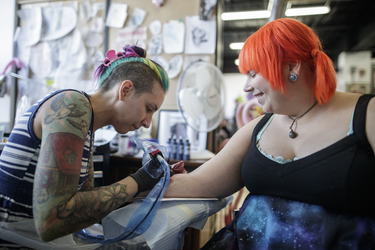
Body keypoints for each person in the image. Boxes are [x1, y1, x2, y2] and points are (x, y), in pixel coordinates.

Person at [165, 18, 375, 249]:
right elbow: (198, 183)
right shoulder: (258, 127)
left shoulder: (368, 114)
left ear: (292, 66)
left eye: (253, 73)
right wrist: (132, 186)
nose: (246, 87)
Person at [0, 45, 169, 247]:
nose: (147, 122)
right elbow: (50, 221)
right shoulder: (72, 106)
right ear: (125, 90)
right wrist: (139, 180)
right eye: (148, 109)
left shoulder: (88, 126)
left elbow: (82, 209)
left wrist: (149, 183)